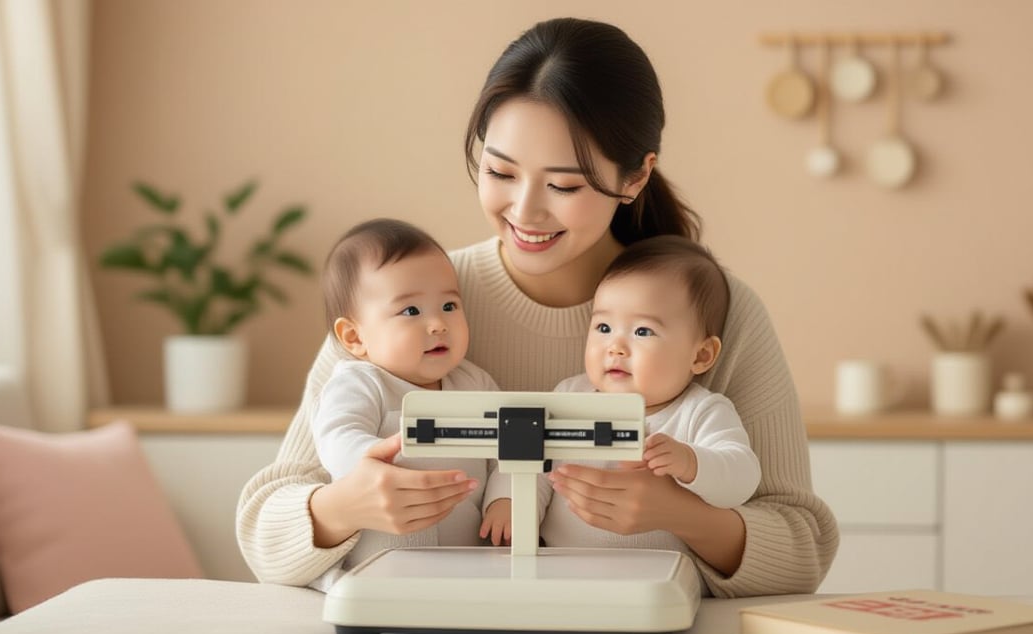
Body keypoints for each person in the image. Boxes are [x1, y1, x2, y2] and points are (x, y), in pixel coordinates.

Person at [237, 17, 838, 598]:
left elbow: (803, 546)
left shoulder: (714, 313)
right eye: (500, 171)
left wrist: (683, 515)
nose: (524, 212)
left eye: (565, 185)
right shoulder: (407, 301)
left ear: (636, 177)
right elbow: (265, 529)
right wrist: (344, 506)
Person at [481, 236, 762, 546]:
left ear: (701, 355)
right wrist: (508, 503)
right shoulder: (570, 398)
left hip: (658, 576)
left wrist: (691, 462)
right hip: (561, 570)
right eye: (603, 328)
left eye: (643, 331)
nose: (615, 347)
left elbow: (742, 478)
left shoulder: (700, 412)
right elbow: (531, 464)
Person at [308, 218, 500, 588]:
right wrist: (371, 459)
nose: (437, 325)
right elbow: (335, 434)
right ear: (354, 336)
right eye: (411, 311)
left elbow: (509, 452)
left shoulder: (477, 385)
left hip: (467, 565)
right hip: (379, 561)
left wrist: (502, 501)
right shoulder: (361, 383)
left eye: (449, 305)